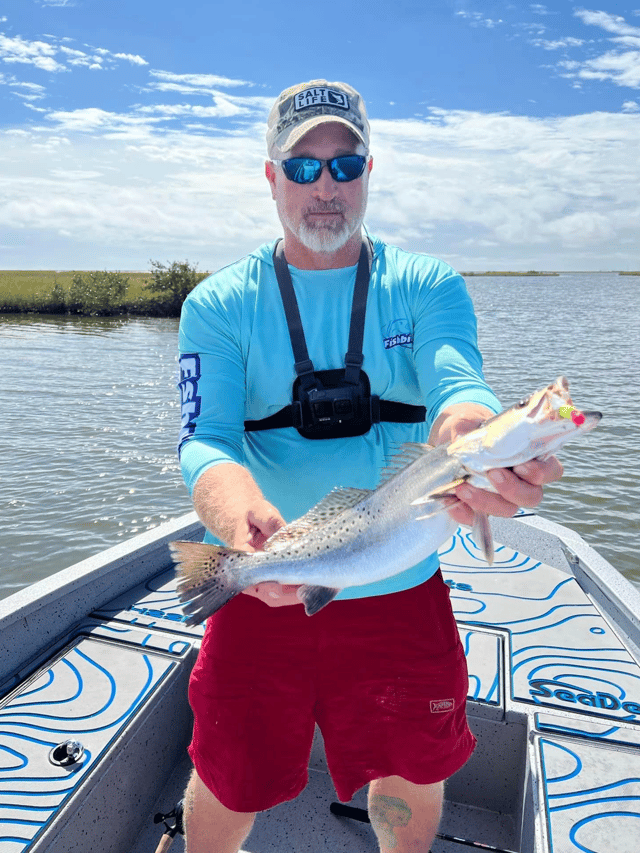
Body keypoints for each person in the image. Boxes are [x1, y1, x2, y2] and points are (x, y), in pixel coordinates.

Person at [177, 79, 562, 853]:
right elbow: (207, 438)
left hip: (400, 588)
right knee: (230, 772)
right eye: (304, 165)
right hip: (264, 580)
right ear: (271, 176)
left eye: (345, 166)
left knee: (411, 764)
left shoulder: (425, 285)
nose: (326, 186)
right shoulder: (218, 304)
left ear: (368, 172)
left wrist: (478, 436)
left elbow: (460, 393)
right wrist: (238, 528)